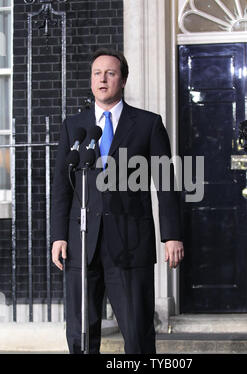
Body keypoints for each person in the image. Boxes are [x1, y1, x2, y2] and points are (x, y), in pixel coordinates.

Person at [51, 49, 184, 354]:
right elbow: (62, 186)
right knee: (80, 334)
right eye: (97, 73)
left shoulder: (148, 124)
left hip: (130, 243)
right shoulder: (74, 127)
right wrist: (58, 235)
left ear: (122, 80)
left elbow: (166, 182)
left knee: (137, 335)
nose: (102, 79)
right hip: (82, 244)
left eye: (110, 73)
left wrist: (172, 234)